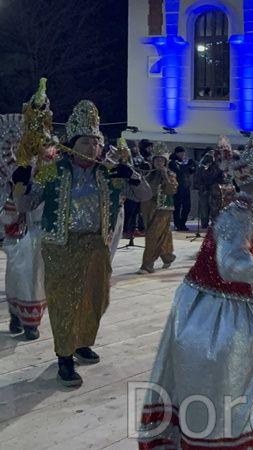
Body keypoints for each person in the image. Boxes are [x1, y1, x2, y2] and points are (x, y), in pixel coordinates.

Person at [137, 134, 253, 450]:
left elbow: (248, 277)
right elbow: (231, 267)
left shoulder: (251, 215)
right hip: (212, 319)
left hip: (223, 309)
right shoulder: (237, 216)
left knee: (231, 390)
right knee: (219, 390)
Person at [13, 100, 151, 387]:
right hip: (61, 246)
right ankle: (64, 356)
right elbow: (26, 204)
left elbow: (144, 196)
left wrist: (133, 175)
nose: (92, 147)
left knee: (96, 299)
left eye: (96, 142)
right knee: (64, 302)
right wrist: (21, 184)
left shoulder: (109, 173)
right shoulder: (53, 170)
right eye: (86, 142)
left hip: (97, 245)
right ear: (72, 143)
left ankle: (81, 343)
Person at [2, 184, 46, 340]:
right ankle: (23, 320)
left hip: (39, 233)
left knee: (30, 279)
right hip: (22, 234)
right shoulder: (18, 173)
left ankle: (25, 321)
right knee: (20, 277)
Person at [138, 142, 178, 274]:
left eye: (162, 160)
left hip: (163, 209)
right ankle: (167, 256)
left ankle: (147, 264)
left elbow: (171, 190)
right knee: (161, 234)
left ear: (165, 162)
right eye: (157, 160)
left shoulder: (170, 175)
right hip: (148, 208)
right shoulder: (149, 174)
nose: (159, 162)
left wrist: (165, 175)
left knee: (152, 235)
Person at [124, 139, 151, 238]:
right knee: (129, 211)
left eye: (136, 147)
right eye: (133, 147)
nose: (135, 149)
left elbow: (146, 169)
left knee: (136, 211)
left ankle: (133, 229)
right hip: (128, 188)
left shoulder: (140, 157)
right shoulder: (127, 157)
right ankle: (126, 230)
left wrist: (145, 166)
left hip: (139, 187)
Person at [193, 149, 224, 229]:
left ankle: (215, 224)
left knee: (215, 208)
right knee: (204, 208)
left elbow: (220, 177)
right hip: (204, 190)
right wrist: (201, 186)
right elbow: (198, 177)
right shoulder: (201, 167)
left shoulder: (217, 166)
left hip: (214, 190)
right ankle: (204, 224)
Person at [168, 146, 196, 231]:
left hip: (186, 187)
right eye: (181, 153)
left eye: (184, 153)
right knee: (177, 207)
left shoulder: (184, 162)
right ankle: (178, 224)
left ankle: (182, 223)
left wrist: (193, 166)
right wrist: (187, 165)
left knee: (187, 206)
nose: (183, 155)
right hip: (177, 187)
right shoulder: (172, 162)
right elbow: (179, 171)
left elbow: (191, 171)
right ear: (177, 153)